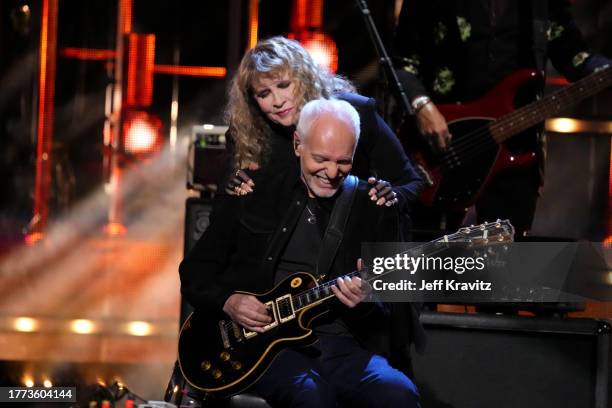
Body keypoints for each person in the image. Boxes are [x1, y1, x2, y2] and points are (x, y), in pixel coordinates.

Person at [180, 99, 421, 407]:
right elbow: (195, 271)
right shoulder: (253, 192)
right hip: (267, 349)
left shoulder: (373, 205)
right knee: (312, 397)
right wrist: (228, 301)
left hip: (343, 347)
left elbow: (388, 314)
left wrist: (366, 302)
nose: (332, 172)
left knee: (398, 392)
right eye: (321, 159)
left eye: (343, 161)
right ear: (297, 144)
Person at [393, 0, 610, 238]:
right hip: (441, 150)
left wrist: (603, 70)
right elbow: (400, 62)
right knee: (428, 260)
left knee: (503, 264)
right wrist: (421, 105)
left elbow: (574, 56)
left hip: (516, 149)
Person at [224, 35, 423, 211]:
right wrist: (233, 189)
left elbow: (410, 182)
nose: (277, 101)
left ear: (304, 78)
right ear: (253, 100)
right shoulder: (245, 135)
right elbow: (223, 211)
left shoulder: (353, 113)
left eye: (284, 85)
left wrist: (388, 198)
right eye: (264, 93)